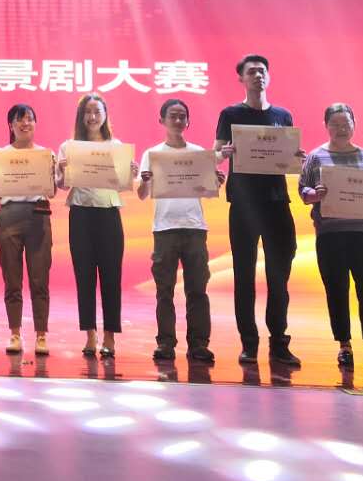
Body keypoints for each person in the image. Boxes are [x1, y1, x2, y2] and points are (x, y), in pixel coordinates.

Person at [214, 54, 303, 367]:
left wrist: (296, 158)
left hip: (277, 202)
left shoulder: (282, 115)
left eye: (262, 71)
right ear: (241, 78)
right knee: (244, 275)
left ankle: (279, 342)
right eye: (251, 71)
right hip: (243, 203)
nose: (257, 76)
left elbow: (288, 158)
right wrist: (223, 153)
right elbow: (215, 153)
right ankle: (249, 344)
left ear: (269, 76)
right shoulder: (230, 114)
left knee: (279, 275)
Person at [299, 103, 363, 371]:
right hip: (330, 236)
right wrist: (314, 194)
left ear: (354, 125)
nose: (341, 129)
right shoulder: (316, 157)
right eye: (335, 124)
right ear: (326, 126)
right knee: (336, 290)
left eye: (346, 124)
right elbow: (303, 191)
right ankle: (344, 346)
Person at [137, 98, 221, 365]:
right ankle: (165, 343)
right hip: (164, 229)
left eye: (182, 116)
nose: (177, 120)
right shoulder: (152, 154)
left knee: (198, 289)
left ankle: (199, 344)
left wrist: (216, 181)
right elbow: (141, 194)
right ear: (161, 120)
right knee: (165, 290)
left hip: (195, 228)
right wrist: (145, 182)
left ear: (188, 121)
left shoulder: (199, 154)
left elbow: (208, 191)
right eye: (172, 115)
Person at [62, 93, 136, 358]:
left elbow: (123, 184)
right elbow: (61, 185)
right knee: (84, 276)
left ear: (105, 115)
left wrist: (130, 173)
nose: (92, 117)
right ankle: (90, 334)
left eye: (97, 112)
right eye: (88, 112)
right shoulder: (69, 147)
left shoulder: (116, 147)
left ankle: (110, 336)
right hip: (80, 215)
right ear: (81, 116)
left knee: (111, 276)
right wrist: (61, 170)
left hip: (108, 215)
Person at [0, 103, 56, 357]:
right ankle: (15, 333)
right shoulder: (0, 155)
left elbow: (52, 191)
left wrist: (54, 172)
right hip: (9, 215)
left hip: (38, 215)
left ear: (35, 123)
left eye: (29, 118)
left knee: (40, 278)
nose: (25, 123)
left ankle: (41, 335)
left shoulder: (45, 155)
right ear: (11, 125)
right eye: (19, 119)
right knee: (12, 278)